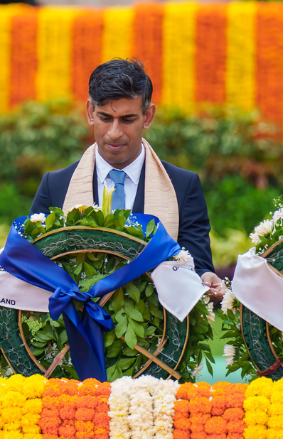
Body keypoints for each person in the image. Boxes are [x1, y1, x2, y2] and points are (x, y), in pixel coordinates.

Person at [31, 58, 225, 299]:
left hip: (158, 334)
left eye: (127, 120)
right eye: (105, 118)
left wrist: (206, 279)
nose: (114, 133)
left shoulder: (183, 186)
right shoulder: (55, 185)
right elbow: (32, 267)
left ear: (148, 116)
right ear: (90, 112)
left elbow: (197, 267)